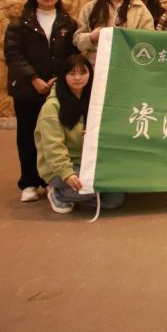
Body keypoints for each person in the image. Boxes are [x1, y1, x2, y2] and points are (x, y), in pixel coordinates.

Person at [4, 0, 78, 203]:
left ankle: (50, 181)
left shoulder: (68, 24)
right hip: (27, 90)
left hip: (58, 89)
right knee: (27, 136)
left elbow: (73, 56)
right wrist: (34, 78)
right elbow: (13, 55)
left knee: (55, 136)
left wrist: (60, 79)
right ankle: (29, 182)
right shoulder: (20, 23)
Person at [36, 54, 125, 214]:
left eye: (83, 72)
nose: (78, 78)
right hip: (61, 168)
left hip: (89, 162)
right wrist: (67, 174)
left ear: (90, 74)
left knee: (115, 198)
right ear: (63, 76)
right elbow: (52, 147)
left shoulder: (95, 100)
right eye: (72, 73)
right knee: (93, 189)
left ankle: (75, 194)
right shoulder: (52, 107)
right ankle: (59, 193)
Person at [74, 0, 154, 60]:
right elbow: (77, 41)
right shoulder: (91, 7)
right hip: (97, 62)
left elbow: (150, 37)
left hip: (127, 61)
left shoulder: (139, 8)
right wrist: (91, 37)